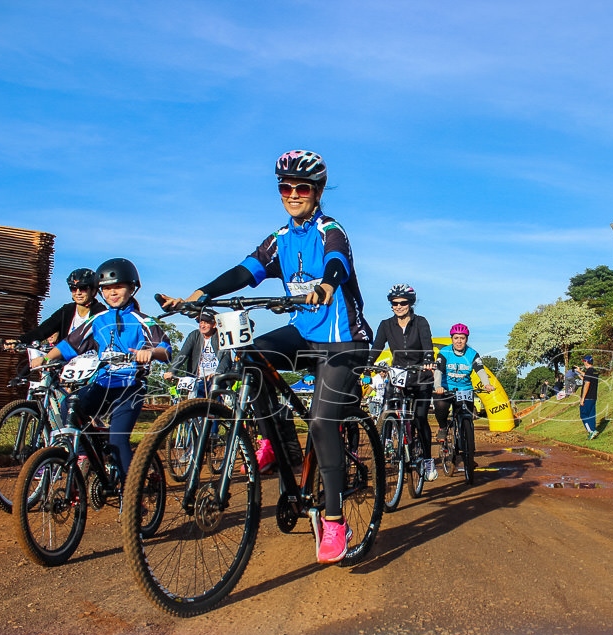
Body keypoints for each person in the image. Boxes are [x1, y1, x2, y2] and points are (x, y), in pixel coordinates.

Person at [160, 149, 372, 563]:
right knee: (248, 357)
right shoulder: (280, 240)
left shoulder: (331, 229)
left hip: (344, 340)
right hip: (304, 333)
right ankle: (277, 440)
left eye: (302, 187)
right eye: (286, 187)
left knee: (323, 420)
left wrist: (327, 287)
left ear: (318, 190)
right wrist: (201, 294)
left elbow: (336, 262)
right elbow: (245, 269)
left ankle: (333, 522)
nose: (294, 194)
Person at [31, 258, 171, 483]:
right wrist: (45, 358)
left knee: (118, 440)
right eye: (106, 288)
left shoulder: (143, 321)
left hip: (130, 388)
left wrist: (151, 353)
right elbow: (69, 345)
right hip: (102, 385)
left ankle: (132, 496)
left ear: (132, 287)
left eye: (118, 287)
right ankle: (91, 453)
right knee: (70, 406)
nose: (112, 293)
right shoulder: (97, 320)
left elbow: (165, 348)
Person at [368, 284, 437, 480]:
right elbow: (377, 347)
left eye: (403, 303)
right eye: (394, 303)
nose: (398, 306)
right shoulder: (385, 324)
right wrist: (368, 363)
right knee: (387, 407)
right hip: (398, 374)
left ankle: (428, 459)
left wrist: (428, 361)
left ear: (410, 303)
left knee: (420, 418)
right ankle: (387, 439)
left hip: (420, 375)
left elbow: (427, 345)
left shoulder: (421, 322)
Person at [5, 268, 107, 349]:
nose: (78, 292)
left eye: (83, 288)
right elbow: (44, 329)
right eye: (73, 289)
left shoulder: (101, 313)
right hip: (66, 364)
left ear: (94, 290)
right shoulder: (67, 310)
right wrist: (20, 341)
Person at [433, 324, 494, 445]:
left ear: (466, 339)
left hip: (465, 389)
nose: (459, 341)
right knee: (441, 405)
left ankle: (469, 450)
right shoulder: (444, 352)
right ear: (452, 339)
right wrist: (438, 387)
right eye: (456, 338)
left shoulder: (472, 354)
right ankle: (442, 428)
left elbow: (480, 370)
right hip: (446, 389)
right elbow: (438, 370)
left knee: (467, 416)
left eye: (462, 338)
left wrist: (487, 384)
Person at [163, 309, 232, 398]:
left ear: (214, 324)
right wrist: (172, 371)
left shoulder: (221, 336)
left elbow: (226, 358)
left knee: (214, 404)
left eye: (206, 322)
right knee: (194, 405)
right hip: (197, 379)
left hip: (216, 379)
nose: (202, 325)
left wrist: (218, 373)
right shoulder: (194, 335)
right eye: (201, 322)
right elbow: (183, 354)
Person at [579, 355, 599, 439]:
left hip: (587, 397)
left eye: (584, 361)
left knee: (583, 415)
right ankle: (593, 429)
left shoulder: (588, 372)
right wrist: (580, 372)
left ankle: (591, 431)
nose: (584, 363)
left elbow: (587, 383)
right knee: (591, 415)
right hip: (593, 397)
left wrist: (582, 398)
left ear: (587, 362)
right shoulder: (594, 371)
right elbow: (587, 377)